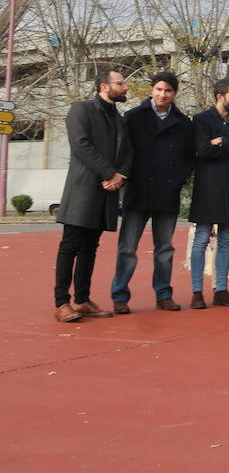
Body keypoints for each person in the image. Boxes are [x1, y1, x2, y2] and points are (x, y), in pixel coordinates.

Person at [110, 70, 193, 314]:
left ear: (174, 93)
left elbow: (189, 158)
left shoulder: (184, 123)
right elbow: (124, 151)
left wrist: (179, 179)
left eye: (168, 90)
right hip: (138, 190)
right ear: (151, 90)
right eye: (159, 89)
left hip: (167, 192)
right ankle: (120, 295)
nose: (163, 94)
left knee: (165, 248)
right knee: (127, 247)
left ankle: (164, 294)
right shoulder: (133, 117)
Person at [53, 69, 130, 322]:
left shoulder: (120, 119)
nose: (125, 88)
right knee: (70, 245)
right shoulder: (81, 110)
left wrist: (120, 176)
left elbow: (129, 153)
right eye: (120, 83)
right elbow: (81, 146)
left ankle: (83, 300)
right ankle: (62, 303)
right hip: (83, 190)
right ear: (103, 86)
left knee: (90, 248)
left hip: (106, 194)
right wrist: (110, 174)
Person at [189, 77, 229, 309]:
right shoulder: (202, 120)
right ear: (220, 96)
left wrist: (222, 142)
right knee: (201, 240)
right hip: (208, 189)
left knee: (225, 242)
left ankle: (221, 290)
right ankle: (197, 292)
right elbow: (202, 151)